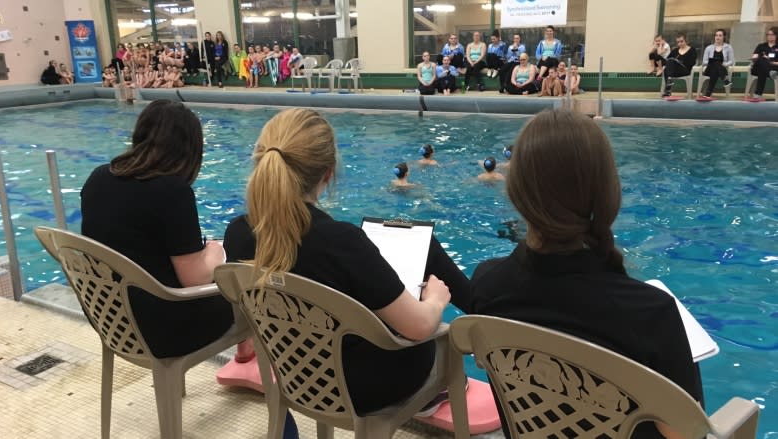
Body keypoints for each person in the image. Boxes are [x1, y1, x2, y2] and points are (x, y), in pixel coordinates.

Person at [222, 108, 472, 417]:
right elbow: (419, 327)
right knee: (430, 317)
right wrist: (435, 300)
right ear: (328, 173)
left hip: (292, 373)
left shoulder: (237, 233)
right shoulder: (340, 242)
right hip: (359, 387)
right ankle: (432, 393)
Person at [471, 109, 703, 439]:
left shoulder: (487, 285)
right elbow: (684, 434)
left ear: (517, 193)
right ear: (608, 194)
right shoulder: (651, 313)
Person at [80, 100, 236, 361]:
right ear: (189, 151)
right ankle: (253, 369)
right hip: (159, 330)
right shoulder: (172, 191)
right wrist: (216, 251)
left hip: (106, 316)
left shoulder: (98, 177)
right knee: (250, 294)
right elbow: (194, 279)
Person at [700, 29, 734, 98]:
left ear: (724, 37)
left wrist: (725, 64)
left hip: (722, 68)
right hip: (709, 69)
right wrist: (712, 62)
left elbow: (731, 61)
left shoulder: (728, 47)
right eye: (716, 35)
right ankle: (725, 79)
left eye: (720, 35)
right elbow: (704, 61)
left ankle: (708, 93)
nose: (717, 37)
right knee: (715, 63)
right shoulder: (709, 48)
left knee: (715, 67)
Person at [662, 33, 697, 98]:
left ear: (686, 40)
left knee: (671, 63)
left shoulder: (692, 50)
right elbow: (666, 61)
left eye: (681, 41)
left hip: (684, 70)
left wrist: (680, 62)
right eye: (678, 42)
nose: (680, 44)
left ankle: (668, 87)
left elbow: (692, 62)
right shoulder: (675, 51)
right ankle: (668, 88)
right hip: (674, 71)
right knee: (668, 65)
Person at [749, 26, 778, 100]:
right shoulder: (761, 46)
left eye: (772, 34)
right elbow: (754, 57)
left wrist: (771, 62)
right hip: (760, 69)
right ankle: (769, 72)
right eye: (768, 34)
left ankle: (758, 94)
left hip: (774, 68)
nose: (770, 36)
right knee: (761, 59)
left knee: (762, 69)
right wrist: (762, 58)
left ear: (776, 35)